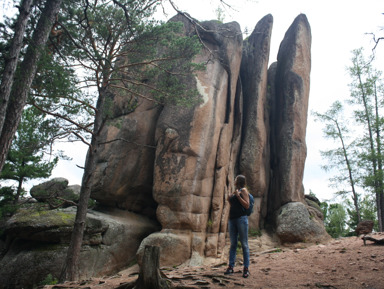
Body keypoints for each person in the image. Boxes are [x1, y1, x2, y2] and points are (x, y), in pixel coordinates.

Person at [224, 174, 250, 278]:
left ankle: (246, 269)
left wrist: (238, 196)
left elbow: (247, 205)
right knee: (233, 244)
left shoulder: (243, 191)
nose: (234, 180)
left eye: (235, 179)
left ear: (238, 181)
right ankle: (230, 267)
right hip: (232, 220)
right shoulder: (237, 191)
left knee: (244, 244)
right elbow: (233, 205)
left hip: (241, 219)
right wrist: (230, 198)